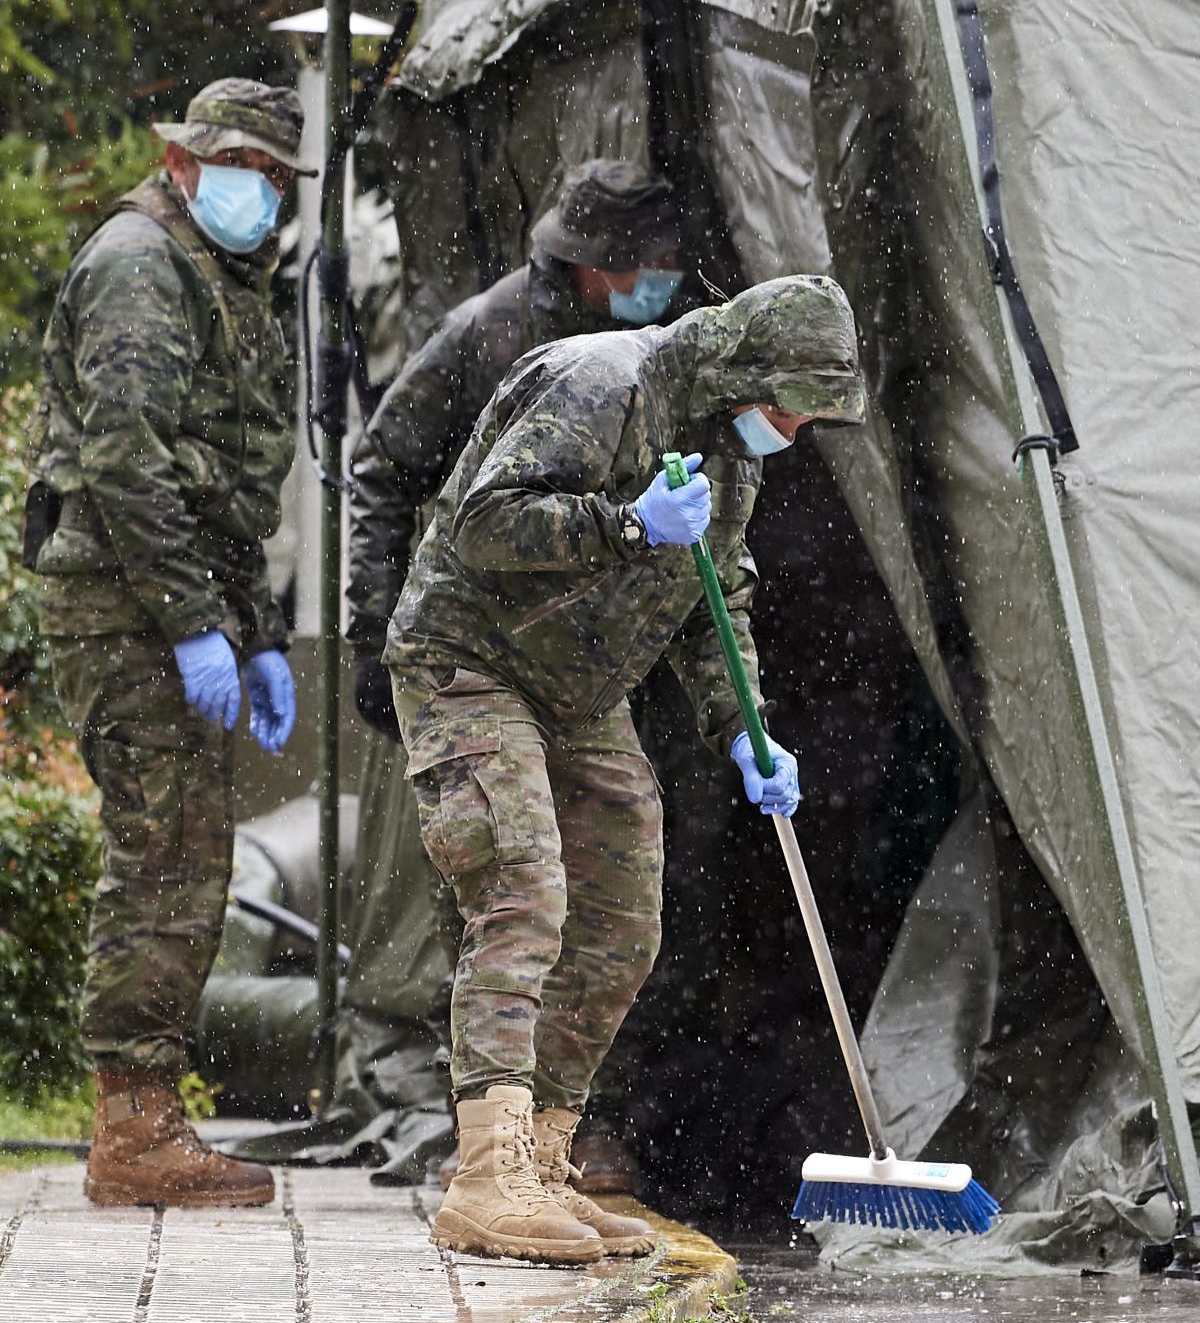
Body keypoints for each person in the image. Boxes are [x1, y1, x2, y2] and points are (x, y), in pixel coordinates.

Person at [385, 274, 865, 1263]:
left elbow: (713, 596)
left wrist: (746, 726)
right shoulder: (599, 385)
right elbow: (484, 521)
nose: (792, 430)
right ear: (741, 370)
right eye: (788, 409)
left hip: (581, 691)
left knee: (620, 918)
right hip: (470, 660)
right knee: (522, 890)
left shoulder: (734, 457)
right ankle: (484, 1172)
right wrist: (630, 525)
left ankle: (543, 1163)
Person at [237, 162, 686, 1183]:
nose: (662, 282)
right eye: (645, 267)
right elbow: (384, 472)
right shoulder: (488, 333)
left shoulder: (650, 344)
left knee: (601, 897)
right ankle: (475, 1128)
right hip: (466, 650)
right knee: (492, 888)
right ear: (594, 265)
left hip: (575, 658)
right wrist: (368, 637)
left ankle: (563, 1126)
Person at [29, 78, 308, 1208]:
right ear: (185, 161)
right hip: (122, 604)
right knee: (163, 853)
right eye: (245, 164)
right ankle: (133, 1127)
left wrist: (260, 635)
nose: (263, 190)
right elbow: (130, 467)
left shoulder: (227, 276)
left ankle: (144, 1112)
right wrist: (201, 628)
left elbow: (230, 481)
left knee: (189, 853)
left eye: (281, 176)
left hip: (175, 606)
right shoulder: (143, 265)